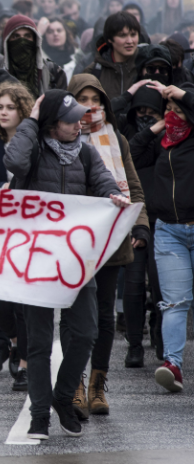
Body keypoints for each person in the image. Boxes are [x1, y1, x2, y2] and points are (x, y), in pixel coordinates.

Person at [4, 89, 131, 440]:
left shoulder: (87, 154)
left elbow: (104, 183)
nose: (78, 124)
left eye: (79, 118)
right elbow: (14, 162)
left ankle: (63, 396)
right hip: (37, 261)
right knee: (40, 343)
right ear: (50, 124)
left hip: (76, 261)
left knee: (86, 332)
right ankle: (40, 415)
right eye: (69, 119)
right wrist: (30, 120)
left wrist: (112, 197)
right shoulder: (32, 150)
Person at [67, 74, 149, 418]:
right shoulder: (59, 141)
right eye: (81, 99)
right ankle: (74, 384)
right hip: (72, 244)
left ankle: (98, 385)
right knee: (73, 317)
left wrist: (140, 225)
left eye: (95, 98)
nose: (89, 106)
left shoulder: (116, 139)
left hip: (111, 242)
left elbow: (133, 186)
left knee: (102, 317)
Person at [130, 82, 194, 394]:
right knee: (174, 302)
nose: (172, 115)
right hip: (168, 231)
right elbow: (131, 152)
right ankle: (173, 365)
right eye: (168, 111)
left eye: (179, 111)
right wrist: (157, 126)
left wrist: (179, 94)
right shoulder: (163, 142)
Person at [0, 82, 36, 391]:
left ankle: (25, 365)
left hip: (26, 233)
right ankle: (13, 342)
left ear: (22, 111)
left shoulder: (34, 145)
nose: (4, 112)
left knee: (23, 302)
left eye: (10, 107)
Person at [120, 84, 165, 365]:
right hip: (135, 220)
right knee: (133, 286)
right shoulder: (130, 139)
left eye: (153, 114)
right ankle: (134, 345)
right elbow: (134, 153)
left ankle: (161, 340)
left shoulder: (171, 142)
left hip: (163, 223)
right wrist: (151, 130)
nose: (147, 118)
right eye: (142, 113)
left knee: (161, 287)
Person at [0, 14, 67, 113]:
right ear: (7, 41)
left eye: (27, 36)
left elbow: (61, 115)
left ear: (35, 40)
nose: (22, 41)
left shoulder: (54, 73)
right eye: (16, 36)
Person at [83, 12, 141, 101]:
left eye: (133, 35)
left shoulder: (147, 67)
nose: (130, 41)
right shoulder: (94, 72)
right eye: (122, 35)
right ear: (110, 39)